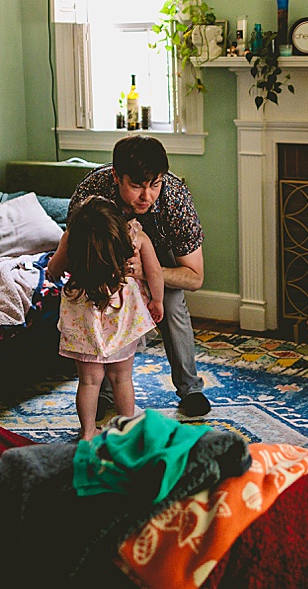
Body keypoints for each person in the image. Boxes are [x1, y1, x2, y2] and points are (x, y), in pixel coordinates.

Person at [68, 135, 212, 418]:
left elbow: (195, 278)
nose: (147, 196)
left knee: (171, 304)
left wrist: (148, 272)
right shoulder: (91, 192)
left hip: (159, 258)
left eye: (155, 185)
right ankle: (104, 394)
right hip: (104, 264)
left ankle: (190, 389)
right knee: (102, 309)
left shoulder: (175, 199)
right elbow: (73, 250)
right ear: (116, 177)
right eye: (136, 186)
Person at [46, 196, 165, 438]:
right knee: (122, 378)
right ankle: (127, 430)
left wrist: (52, 269)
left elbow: (54, 270)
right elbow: (155, 273)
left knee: (89, 381)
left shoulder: (72, 238)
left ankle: (88, 432)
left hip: (83, 317)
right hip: (122, 316)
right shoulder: (135, 237)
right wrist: (157, 300)